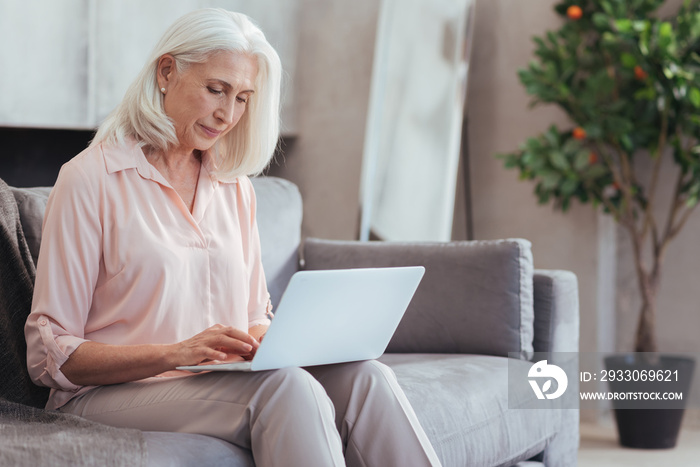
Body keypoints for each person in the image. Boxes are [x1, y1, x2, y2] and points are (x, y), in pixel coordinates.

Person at [24, 8, 441, 467]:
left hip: (214, 382)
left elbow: (254, 315)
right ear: (167, 72)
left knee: (366, 377)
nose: (228, 114)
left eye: (243, 98)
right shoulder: (89, 179)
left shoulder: (233, 186)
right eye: (215, 90)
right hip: (112, 395)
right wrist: (176, 353)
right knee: (286, 388)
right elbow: (51, 356)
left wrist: (281, 341)